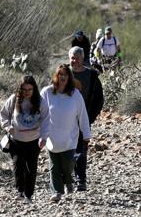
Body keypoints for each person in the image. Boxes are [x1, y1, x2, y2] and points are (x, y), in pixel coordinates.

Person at [39, 65, 91, 202]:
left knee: (68, 165)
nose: (63, 77)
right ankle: (56, 192)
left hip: (69, 138)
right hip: (51, 137)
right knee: (54, 166)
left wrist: (86, 134)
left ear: (69, 78)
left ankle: (69, 181)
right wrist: (38, 133)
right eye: (60, 74)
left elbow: (82, 115)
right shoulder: (47, 92)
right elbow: (39, 112)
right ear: (56, 76)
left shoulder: (75, 95)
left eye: (65, 75)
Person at [0, 75, 48, 203]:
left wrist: (44, 137)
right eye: (24, 89)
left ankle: (28, 195)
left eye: (30, 89)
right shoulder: (14, 99)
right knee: (18, 166)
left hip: (34, 141)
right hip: (16, 140)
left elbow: (46, 120)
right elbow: (3, 114)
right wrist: (7, 126)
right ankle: (20, 191)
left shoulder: (41, 102)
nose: (27, 92)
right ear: (20, 89)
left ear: (34, 89)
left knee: (31, 169)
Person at [68, 46, 104, 192]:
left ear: (83, 59)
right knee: (65, 150)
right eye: (72, 58)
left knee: (81, 150)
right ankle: (66, 177)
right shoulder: (64, 73)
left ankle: (80, 180)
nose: (74, 61)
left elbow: (99, 99)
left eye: (77, 58)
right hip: (64, 120)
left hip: (83, 119)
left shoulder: (91, 75)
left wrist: (90, 117)